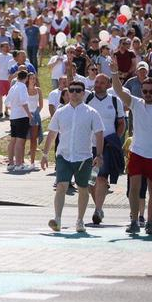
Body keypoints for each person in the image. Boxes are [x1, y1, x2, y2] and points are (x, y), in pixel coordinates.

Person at [109, 60, 152, 235]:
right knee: (134, 188)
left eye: (150, 92)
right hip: (137, 152)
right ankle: (134, 220)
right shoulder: (136, 103)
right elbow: (118, 90)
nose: (147, 94)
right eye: (144, 91)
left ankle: (150, 222)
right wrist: (115, 73)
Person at [41, 80, 104, 233]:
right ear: (67, 93)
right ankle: (57, 219)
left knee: (83, 188)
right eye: (72, 90)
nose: (74, 93)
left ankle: (80, 221)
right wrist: (44, 154)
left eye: (78, 90)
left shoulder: (91, 113)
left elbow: (99, 134)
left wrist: (99, 155)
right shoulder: (60, 112)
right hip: (64, 156)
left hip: (84, 158)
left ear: (83, 93)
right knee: (61, 186)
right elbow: (52, 134)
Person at [85, 74, 126, 225]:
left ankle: (97, 210)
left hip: (107, 146)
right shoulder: (88, 99)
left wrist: (115, 140)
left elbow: (121, 123)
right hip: (89, 147)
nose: (98, 84)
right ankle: (99, 207)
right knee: (90, 182)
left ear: (108, 85)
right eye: (96, 82)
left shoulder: (115, 101)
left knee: (101, 177)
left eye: (102, 82)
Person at [5, 71, 32, 172]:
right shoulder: (22, 87)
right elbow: (23, 101)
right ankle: (19, 164)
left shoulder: (13, 87)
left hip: (13, 116)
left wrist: (13, 108)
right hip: (21, 116)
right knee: (20, 141)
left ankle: (11, 163)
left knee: (13, 140)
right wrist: (29, 114)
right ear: (26, 78)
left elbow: (6, 102)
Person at [26, 73, 43, 171]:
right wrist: (28, 114)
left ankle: (32, 162)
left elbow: (40, 105)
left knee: (33, 139)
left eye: (34, 78)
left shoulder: (38, 90)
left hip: (35, 116)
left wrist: (35, 114)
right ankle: (21, 161)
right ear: (28, 79)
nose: (33, 80)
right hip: (25, 116)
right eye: (31, 78)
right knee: (23, 139)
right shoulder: (24, 90)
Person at [0, 42, 14, 119]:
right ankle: (0, 112)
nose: (7, 48)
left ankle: (6, 111)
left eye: (8, 46)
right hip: (0, 78)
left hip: (9, 79)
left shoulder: (11, 56)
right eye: (5, 47)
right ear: (1, 48)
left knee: (9, 96)